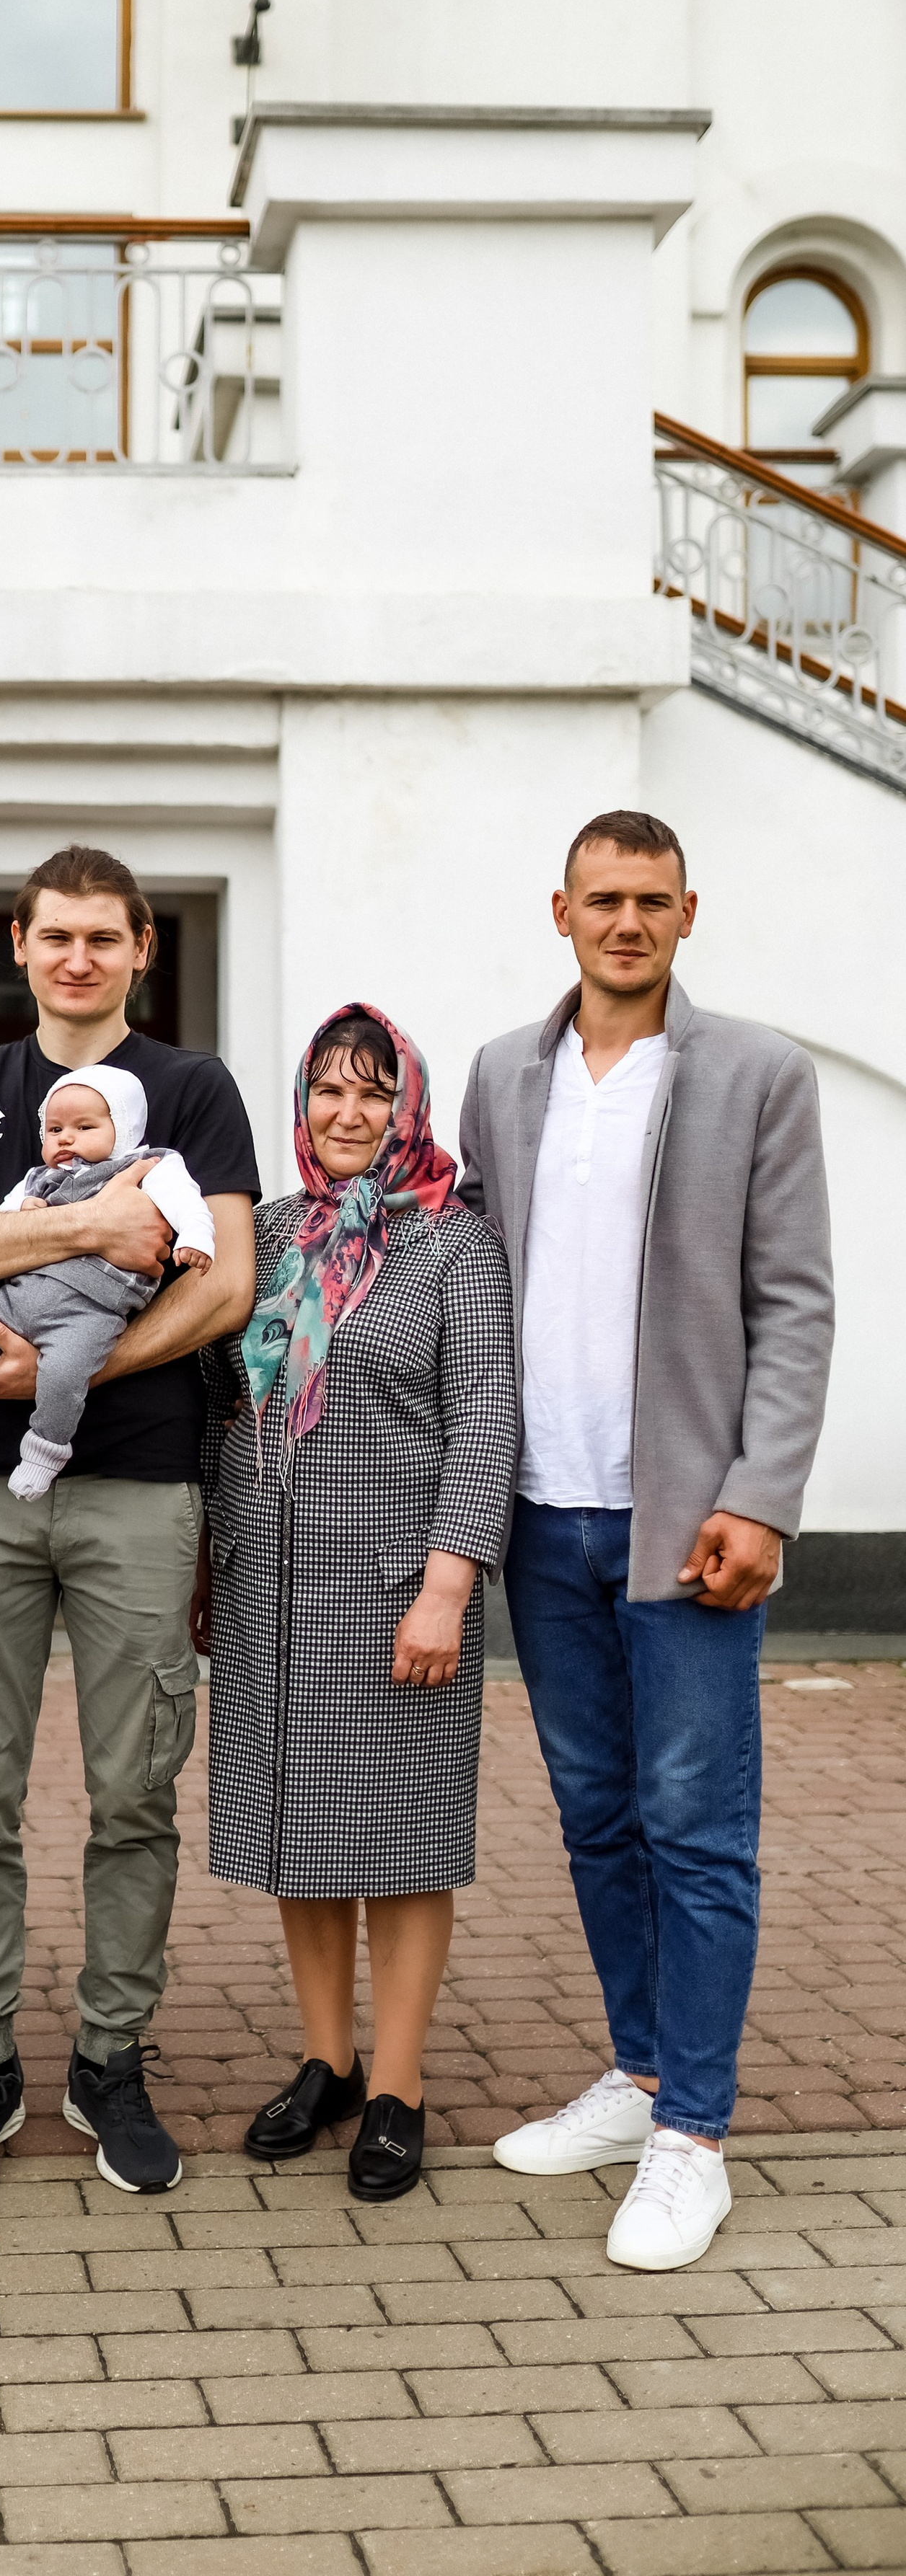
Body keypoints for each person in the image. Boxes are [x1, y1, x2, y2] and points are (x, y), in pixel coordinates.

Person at [463, 809, 834, 2271]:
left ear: (687, 913)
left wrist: (759, 1496)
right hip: (538, 1516)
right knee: (595, 1818)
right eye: (601, 899)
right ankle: (634, 2078)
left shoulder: (754, 1072)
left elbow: (794, 1303)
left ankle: (694, 2138)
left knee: (695, 1833)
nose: (625, 921)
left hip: (684, 1525)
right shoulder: (503, 1074)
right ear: (558, 911)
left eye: (650, 901)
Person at [0, 843, 259, 2199]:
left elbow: (223, 1287)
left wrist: (65, 1365)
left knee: (134, 1791)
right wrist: (91, 1230)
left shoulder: (194, 1088)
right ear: (23, 944)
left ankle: (112, 2057)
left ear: (143, 948)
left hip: (142, 1484)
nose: (80, 958)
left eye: (106, 937)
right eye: (57, 937)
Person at [201, 1003, 516, 2203]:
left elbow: (486, 1412)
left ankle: (398, 2084)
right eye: (329, 1092)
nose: (348, 1114)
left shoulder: (456, 1245)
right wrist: (203, 1560)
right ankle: (324, 2059)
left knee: (402, 1840)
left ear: (409, 1108)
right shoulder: (268, 1233)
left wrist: (450, 1581)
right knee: (300, 1832)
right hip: (265, 1585)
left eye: (374, 1094)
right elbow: (225, 1400)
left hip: (398, 1587)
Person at [0, 1063, 217, 1499]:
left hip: (93, 1307)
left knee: (64, 1375)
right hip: (21, 1296)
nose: (65, 1139)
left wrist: (196, 1238)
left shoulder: (149, 1166)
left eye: (84, 1126)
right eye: (54, 1129)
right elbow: (1, 1225)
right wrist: (27, 1218)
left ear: (124, 1128)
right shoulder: (38, 1179)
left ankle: (45, 1452)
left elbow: (189, 1204)